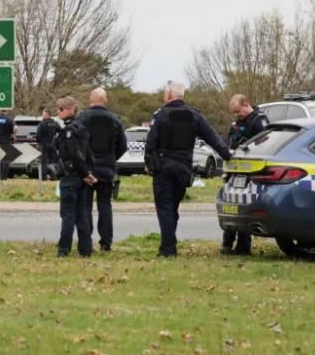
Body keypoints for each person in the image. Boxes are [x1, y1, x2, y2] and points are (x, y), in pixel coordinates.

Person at [145, 81, 231, 257]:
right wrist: (228, 155)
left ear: (169, 95)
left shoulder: (161, 115)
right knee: (173, 207)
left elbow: (151, 143)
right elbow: (212, 137)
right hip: (183, 169)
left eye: (164, 94)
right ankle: (170, 244)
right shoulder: (194, 115)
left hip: (164, 168)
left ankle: (167, 249)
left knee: (165, 208)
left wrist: (149, 164)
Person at [77, 88, 128, 251]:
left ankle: (86, 241)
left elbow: (76, 144)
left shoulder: (82, 118)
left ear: (90, 100)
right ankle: (106, 243)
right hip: (106, 169)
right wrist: (111, 159)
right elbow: (123, 146)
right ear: (105, 100)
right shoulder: (115, 120)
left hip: (87, 170)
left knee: (85, 206)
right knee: (105, 205)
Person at [221, 94, 269, 255]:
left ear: (246, 104)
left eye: (238, 111)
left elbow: (265, 143)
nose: (236, 115)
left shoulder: (259, 120)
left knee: (244, 207)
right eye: (234, 113)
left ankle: (243, 246)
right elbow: (230, 141)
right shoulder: (238, 122)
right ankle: (227, 243)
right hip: (234, 169)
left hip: (249, 169)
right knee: (230, 205)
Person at [53, 96, 97, 257]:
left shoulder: (68, 131)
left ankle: (63, 249)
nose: (58, 112)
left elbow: (75, 155)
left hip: (71, 176)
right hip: (82, 177)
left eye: (61, 109)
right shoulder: (82, 129)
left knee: (68, 215)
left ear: (70, 110)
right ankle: (85, 250)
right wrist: (89, 172)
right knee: (82, 214)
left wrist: (85, 173)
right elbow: (89, 155)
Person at [36, 108, 60, 180]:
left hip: (44, 145)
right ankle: (53, 176)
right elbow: (61, 132)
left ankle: (44, 176)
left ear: (47, 115)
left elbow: (38, 135)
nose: (42, 116)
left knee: (44, 161)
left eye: (43, 114)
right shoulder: (55, 123)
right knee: (52, 161)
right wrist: (56, 141)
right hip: (52, 145)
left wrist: (39, 142)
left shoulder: (42, 123)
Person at [0, 110, 16, 179]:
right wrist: (13, 135)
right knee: (5, 159)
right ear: (6, 111)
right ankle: (4, 177)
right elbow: (15, 128)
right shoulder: (9, 119)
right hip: (7, 142)